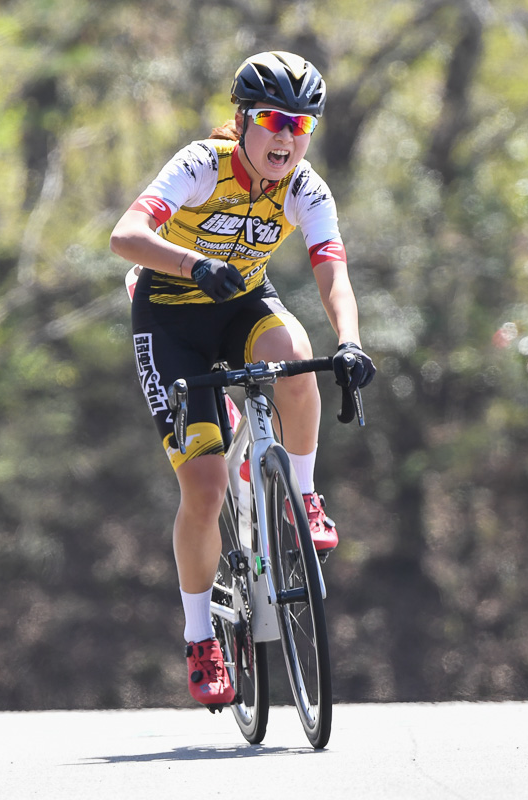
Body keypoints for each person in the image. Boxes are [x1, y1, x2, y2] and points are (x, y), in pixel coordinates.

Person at [109, 51, 376, 707]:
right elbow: (125, 235)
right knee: (203, 487)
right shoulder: (202, 163)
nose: (287, 136)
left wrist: (351, 342)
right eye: (274, 120)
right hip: (171, 321)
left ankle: (302, 496)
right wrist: (191, 264)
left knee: (296, 353)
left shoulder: (306, 187)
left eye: (301, 124)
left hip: (239, 307)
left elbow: (331, 269)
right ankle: (201, 638)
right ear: (243, 121)